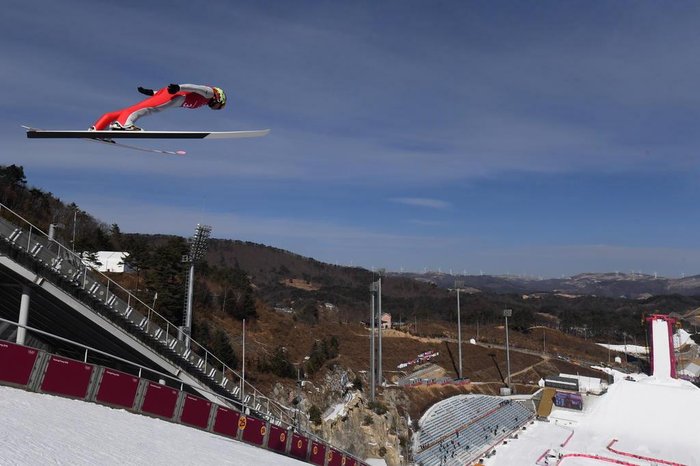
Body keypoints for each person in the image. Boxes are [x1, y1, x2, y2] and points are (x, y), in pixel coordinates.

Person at [91, 83, 226, 131]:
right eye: (218, 106)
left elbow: (162, 94)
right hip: (174, 96)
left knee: (137, 108)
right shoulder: (209, 92)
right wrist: (179, 87)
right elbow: (193, 87)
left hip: (170, 96)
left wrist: (151, 93)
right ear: (219, 97)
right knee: (148, 109)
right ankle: (123, 125)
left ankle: (98, 127)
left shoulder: (204, 101)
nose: (214, 107)